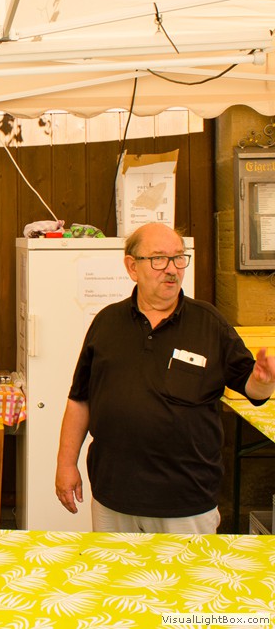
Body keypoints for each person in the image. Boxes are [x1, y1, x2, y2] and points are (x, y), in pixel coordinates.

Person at [55, 222, 275, 534]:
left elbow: (252, 388)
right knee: (114, 569)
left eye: (178, 258)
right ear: (132, 267)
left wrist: (264, 380)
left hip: (187, 504)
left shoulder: (210, 323)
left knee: (187, 570)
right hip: (113, 498)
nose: (172, 269)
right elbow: (80, 400)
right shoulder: (106, 323)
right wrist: (66, 465)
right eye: (158, 258)